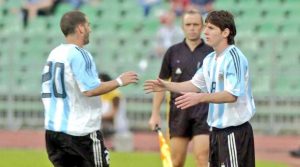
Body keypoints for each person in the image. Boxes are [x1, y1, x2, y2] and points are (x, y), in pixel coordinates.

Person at [145, 10, 256, 167]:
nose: (205, 32)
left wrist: (200, 98)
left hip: (233, 132)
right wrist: (166, 85)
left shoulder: (234, 57)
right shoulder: (210, 59)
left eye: (210, 28)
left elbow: (232, 95)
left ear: (225, 32)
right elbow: (194, 85)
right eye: (206, 27)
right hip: (216, 131)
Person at [41, 11, 138, 167]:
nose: (90, 29)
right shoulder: (79, 54)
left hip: (54, 132)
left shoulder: (55, 53)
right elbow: (90, 90)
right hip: (80, 132)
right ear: (80, 28)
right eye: (88, 25)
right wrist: (119, 81)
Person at [148, 9, 213, 167]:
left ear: (203, 27)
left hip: (203, 112)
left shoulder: (210, 53)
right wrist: (155, 114)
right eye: (188, 24)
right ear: (182, 27)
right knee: (176, 162)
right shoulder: (172, 52)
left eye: (196, 24)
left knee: (202, 158)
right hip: (178, 112)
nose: (192, 28)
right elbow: (161, 84)